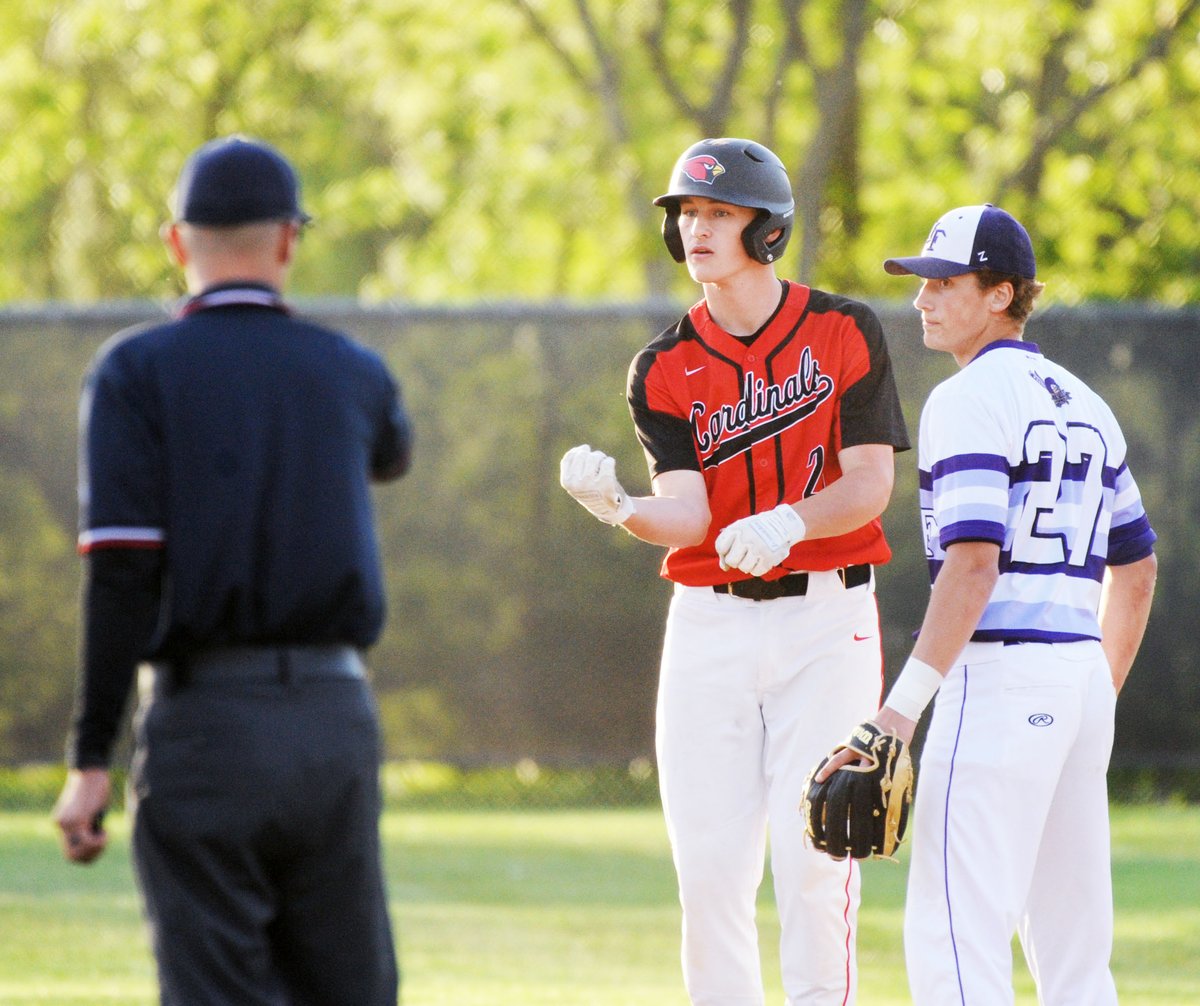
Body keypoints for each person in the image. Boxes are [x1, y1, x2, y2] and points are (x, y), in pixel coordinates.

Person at [52, 135, 410, 1006]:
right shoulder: (351, 371)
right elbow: (392, 452)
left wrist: (91, 754)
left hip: (205, 728)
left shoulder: (135, 371)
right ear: (289, 239)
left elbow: (124, 574)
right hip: (334, 722)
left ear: (178, 243)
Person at [560, 137, 910, 1005]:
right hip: (710, 624)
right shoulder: (663, 365)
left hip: (828, 623)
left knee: (818, 858)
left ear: (769, 230)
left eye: (720, 211)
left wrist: (793, 520)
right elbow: (693, 514)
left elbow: (870, 485)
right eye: (688, 212)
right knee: (711, 873)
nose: (698, 226)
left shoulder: (841, 329)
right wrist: (619, 509)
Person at [817, 203, 1158, 1004]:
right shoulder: (1089, 406)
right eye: (921, 281)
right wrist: (1086, 700)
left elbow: (972, 566)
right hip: (1078, 675)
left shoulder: (968, 400)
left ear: (1003, 292)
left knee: (955, 941)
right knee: (1075, 958)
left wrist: (895, 717)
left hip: (1002, 680)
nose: (923, 298)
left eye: (945, 281)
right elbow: (1137, 573)